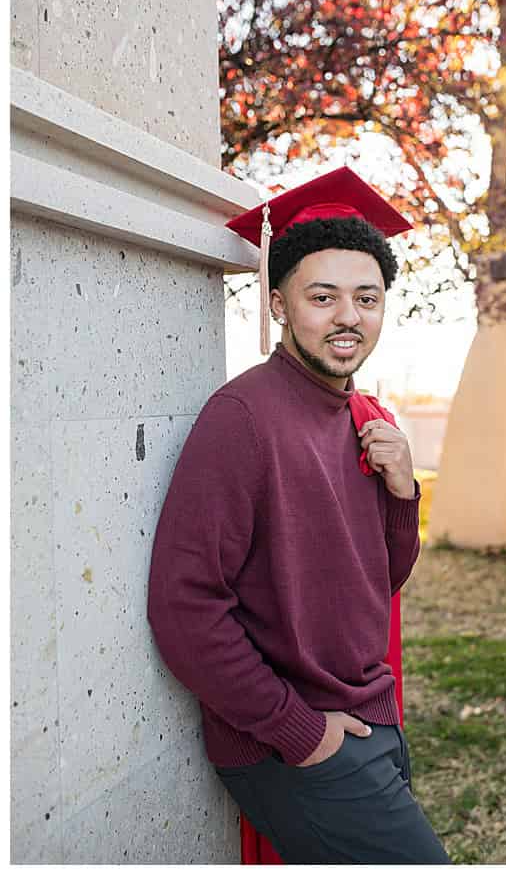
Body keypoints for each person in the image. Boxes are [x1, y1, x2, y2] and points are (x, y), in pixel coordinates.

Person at [148, 168, 448, 865]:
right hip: (299, 740)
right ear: (278, 303)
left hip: (370, 715)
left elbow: (382, 581)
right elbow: (184, 605)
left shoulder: (365, 417)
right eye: (324, 297)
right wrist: (299, 730)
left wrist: (403, 494)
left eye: (366, 298)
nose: (348, 316)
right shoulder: (242, 417)